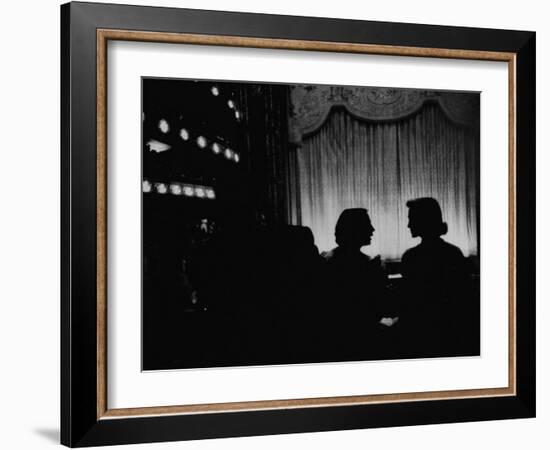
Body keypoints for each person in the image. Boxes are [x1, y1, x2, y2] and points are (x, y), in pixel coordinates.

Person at [400, 197, 471, 356]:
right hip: (452, 331)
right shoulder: (454, 253)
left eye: (411, 219)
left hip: (422, 333)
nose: (408, 225)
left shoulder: (411, 257)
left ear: (423, 221)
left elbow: (409, 303)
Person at [322, 208, 386, 359]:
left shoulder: (327, 260)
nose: (372, 229)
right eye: (367, 225)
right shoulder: (368, 266)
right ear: (354, 230)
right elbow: (375, 309)